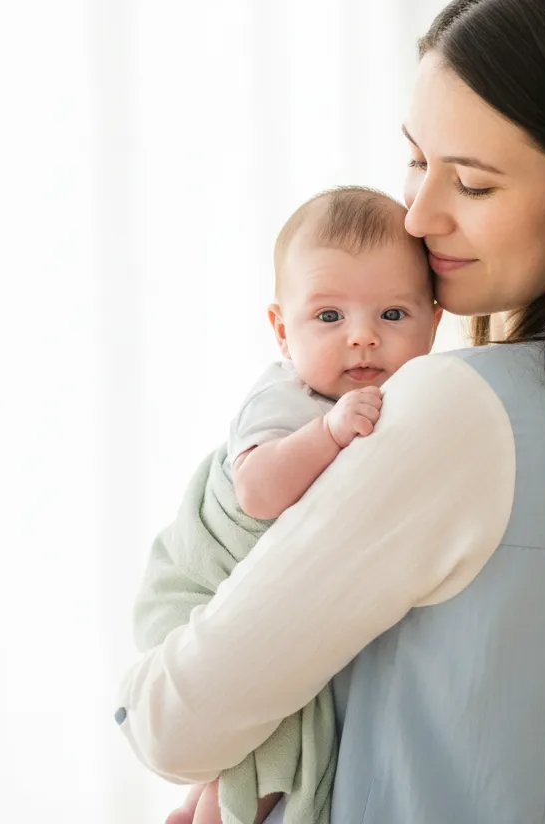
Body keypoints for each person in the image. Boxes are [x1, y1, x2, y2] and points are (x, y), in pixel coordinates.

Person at [114, 0, 545, 823]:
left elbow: (174, 724)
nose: (417, 215)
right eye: (416, 159)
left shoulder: (457, 412)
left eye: (472, 182)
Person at [136, 186, 440, 824]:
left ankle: (204, 806)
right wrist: (326, 436)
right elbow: (256, 491)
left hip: (252, 605)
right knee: (278, 718)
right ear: (282, 329)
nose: (362, 338)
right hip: (199, 591)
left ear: (433, 323)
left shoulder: (413, 402)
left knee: (296, 718)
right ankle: (220, 809)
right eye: (329, 317)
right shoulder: (285, 400)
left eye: (392, 315)